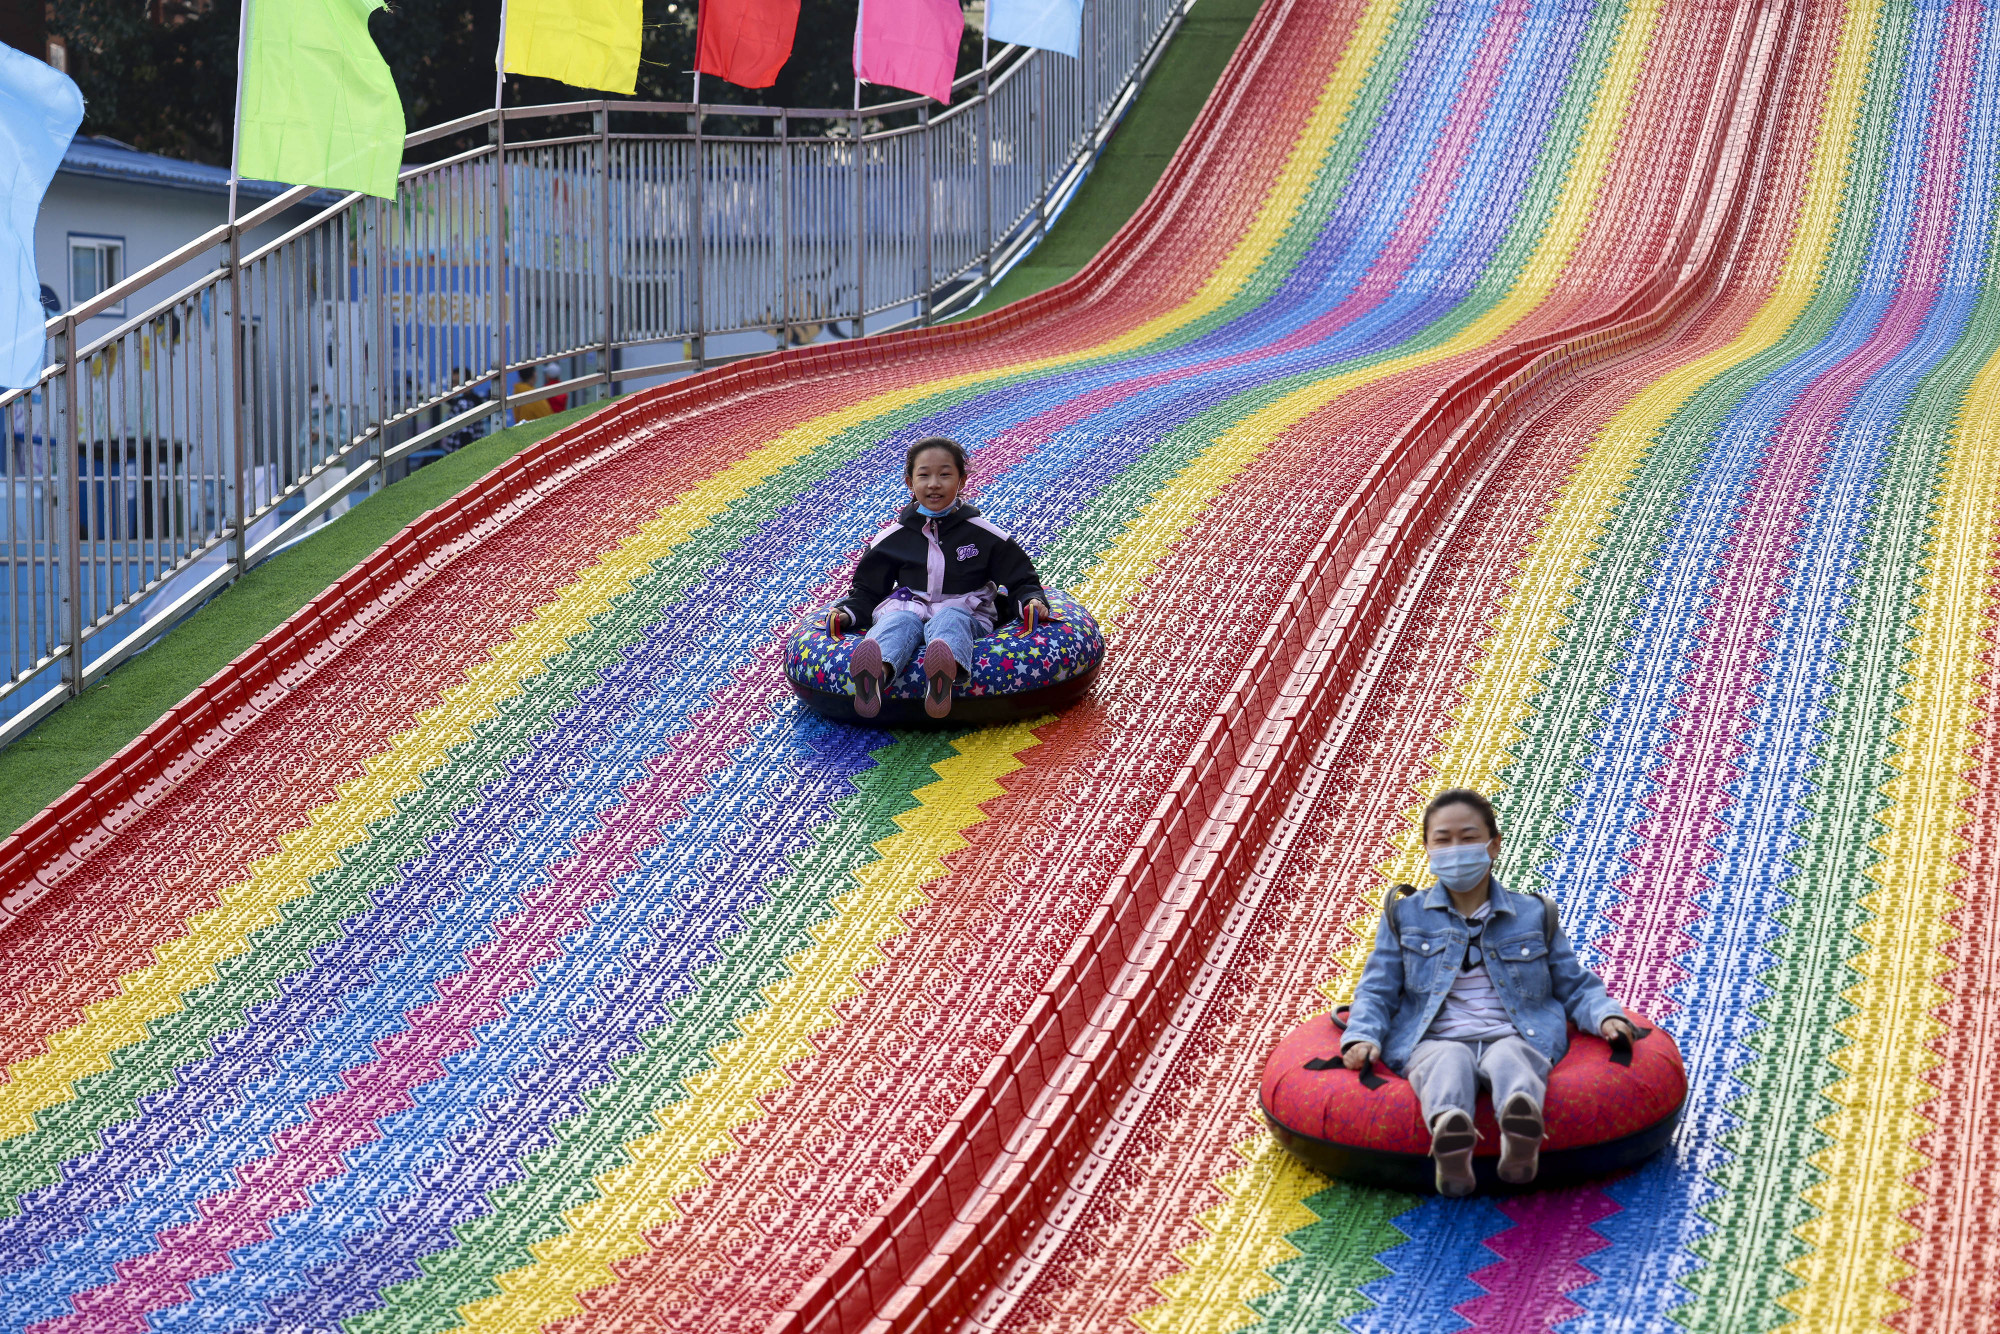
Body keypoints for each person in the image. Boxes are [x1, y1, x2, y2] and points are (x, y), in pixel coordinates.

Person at [1339, 789, 1636, 1195]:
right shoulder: (1404, 915)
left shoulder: (1534, 913)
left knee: (1512, 1057)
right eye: (1442, 840)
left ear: (1493, 845)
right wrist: (1362, 1036)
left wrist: (1606, 1016)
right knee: (1448, 1059)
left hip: (1516, 1032)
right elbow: (1377, 989)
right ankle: (1451, 1134)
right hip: (1434, 1037)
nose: (1455, 849)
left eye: (1468, 837)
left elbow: (1573, 983)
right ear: (1427, 848)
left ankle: (1520, 1125)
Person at [828, 436, 1050, 720]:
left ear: (962, 481)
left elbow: (1021, 579)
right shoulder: (892, 539)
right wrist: (847, 613)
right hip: (911, 606)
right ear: (910, 482)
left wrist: (1031, 600)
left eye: (945, 475)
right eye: (924, 475)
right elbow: (868, 590)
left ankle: (942, 676)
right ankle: (875, 677)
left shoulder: (985, 535)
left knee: (951, 619)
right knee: (898, 621)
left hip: (966, 609)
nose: (934, 484)